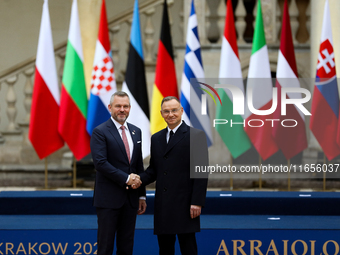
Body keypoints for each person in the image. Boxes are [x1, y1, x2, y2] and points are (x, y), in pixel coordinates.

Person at [138, 96, 209, 255]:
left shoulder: (196, 136)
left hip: (186, 205)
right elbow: (153, 171)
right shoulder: (156, 138)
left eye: (174, 110)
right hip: (163, 205)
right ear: (161, 114)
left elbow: (201, 171)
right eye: (166, 111)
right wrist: (136, 179)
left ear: (181, 111)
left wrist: (197, 202)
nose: (171, 114)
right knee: (165, 249)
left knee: (188, 248)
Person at [90, 91, 146, 255]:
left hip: (131, 201)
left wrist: (141, 196)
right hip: (108, 201)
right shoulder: (100, 132)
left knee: (126, 247)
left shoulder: (136, 131)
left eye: (125, 106)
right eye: (118, 106)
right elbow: (100, 163)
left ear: (129, 108)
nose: (122, 109)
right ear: (110, 108)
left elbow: (138, 165)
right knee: (105, 247)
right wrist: (127, 178)